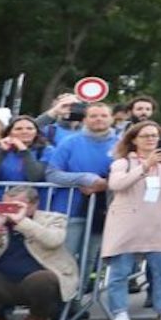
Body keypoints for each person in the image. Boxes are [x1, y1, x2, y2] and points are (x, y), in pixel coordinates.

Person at [103, 120, 161, 320]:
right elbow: (116, 184)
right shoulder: (123, 162)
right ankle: (119, 312)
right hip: (127, 224)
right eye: (145, 136)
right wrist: (145, 165)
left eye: (154, 136)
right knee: (120, 272)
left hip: (159, 223)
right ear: (134, 140)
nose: (151, 139)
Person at [0, 185, 77, 320]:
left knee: (43, 279)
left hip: (36, 281)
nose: (10, 211)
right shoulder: (0, 223)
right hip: (3, 283)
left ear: (34, 205)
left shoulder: (53, 219)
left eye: (16, 206)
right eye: (6, 206)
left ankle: (39, 315)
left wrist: (22, 222)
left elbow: (53, 241)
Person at [42, 102, 118, 269]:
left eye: (103, 115)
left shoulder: (121, 144)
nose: (99, 119)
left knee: (90, 259)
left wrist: (105, 184)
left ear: (112, 119)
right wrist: (84, 178)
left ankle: (83, 286)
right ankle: (63, 287)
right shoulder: (69, 142)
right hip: (70, 209)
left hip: (104, 210)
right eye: (93, 116)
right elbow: (52, 174)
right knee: (65, 256)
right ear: (84, 119)